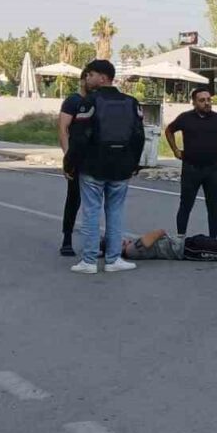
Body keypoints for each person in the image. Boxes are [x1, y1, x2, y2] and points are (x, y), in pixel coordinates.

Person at [66, 59, 145, 274]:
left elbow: (78, 138)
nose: (87, 79)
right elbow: (139, 137)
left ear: (103, 77)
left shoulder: (89, 102)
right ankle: (113, 259)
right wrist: (134, 164)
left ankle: (89, 261)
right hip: (121, 168)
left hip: (93, 167)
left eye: (90, 75)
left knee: (91, 212)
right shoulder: (132, 102)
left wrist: (69, 164)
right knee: (116, 211)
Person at [165, 87, 217, 239]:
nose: (207, 103)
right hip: (191, 168)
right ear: (194, 103)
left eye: (209, 100)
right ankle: (180, 239)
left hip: (212, 169)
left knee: (213, 208)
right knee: (185, 205)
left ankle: (213, 241)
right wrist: (175, 150)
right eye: (202, 100)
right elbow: (169, 130)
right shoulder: (185, 118)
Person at [57, 72, 88, 256]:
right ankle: (67, 239)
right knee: (74, 199)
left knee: (96, 204)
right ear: (84, 80)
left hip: (96, 160)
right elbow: (62, 128)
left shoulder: (98, 101)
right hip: (77, 159)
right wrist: (68, 157)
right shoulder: (73, 101)